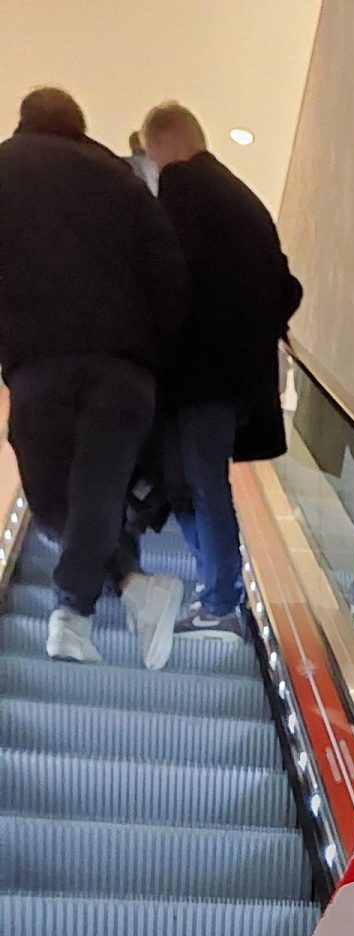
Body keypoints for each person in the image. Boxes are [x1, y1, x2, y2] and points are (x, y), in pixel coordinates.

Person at [0, 88, 188, 669]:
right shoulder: (120, 179)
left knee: (52, 499)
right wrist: (159, 358)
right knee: (96, 490)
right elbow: (168, 272)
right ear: (78, 127)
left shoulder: (6, 166)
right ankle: (127, 587)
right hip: (123, 368)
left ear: (25, 123)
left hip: (39, 362)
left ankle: (76, 610)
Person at [141, 101, 302, 642]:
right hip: (239, 379)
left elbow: (168, 281)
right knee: (190, 482)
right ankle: (217, 591)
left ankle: (220, 600)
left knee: (196, 484)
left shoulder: (183, 188)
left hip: (197, 374)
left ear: (164, 145)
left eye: (153, 155)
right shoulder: (245, 200)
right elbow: (288, 288)